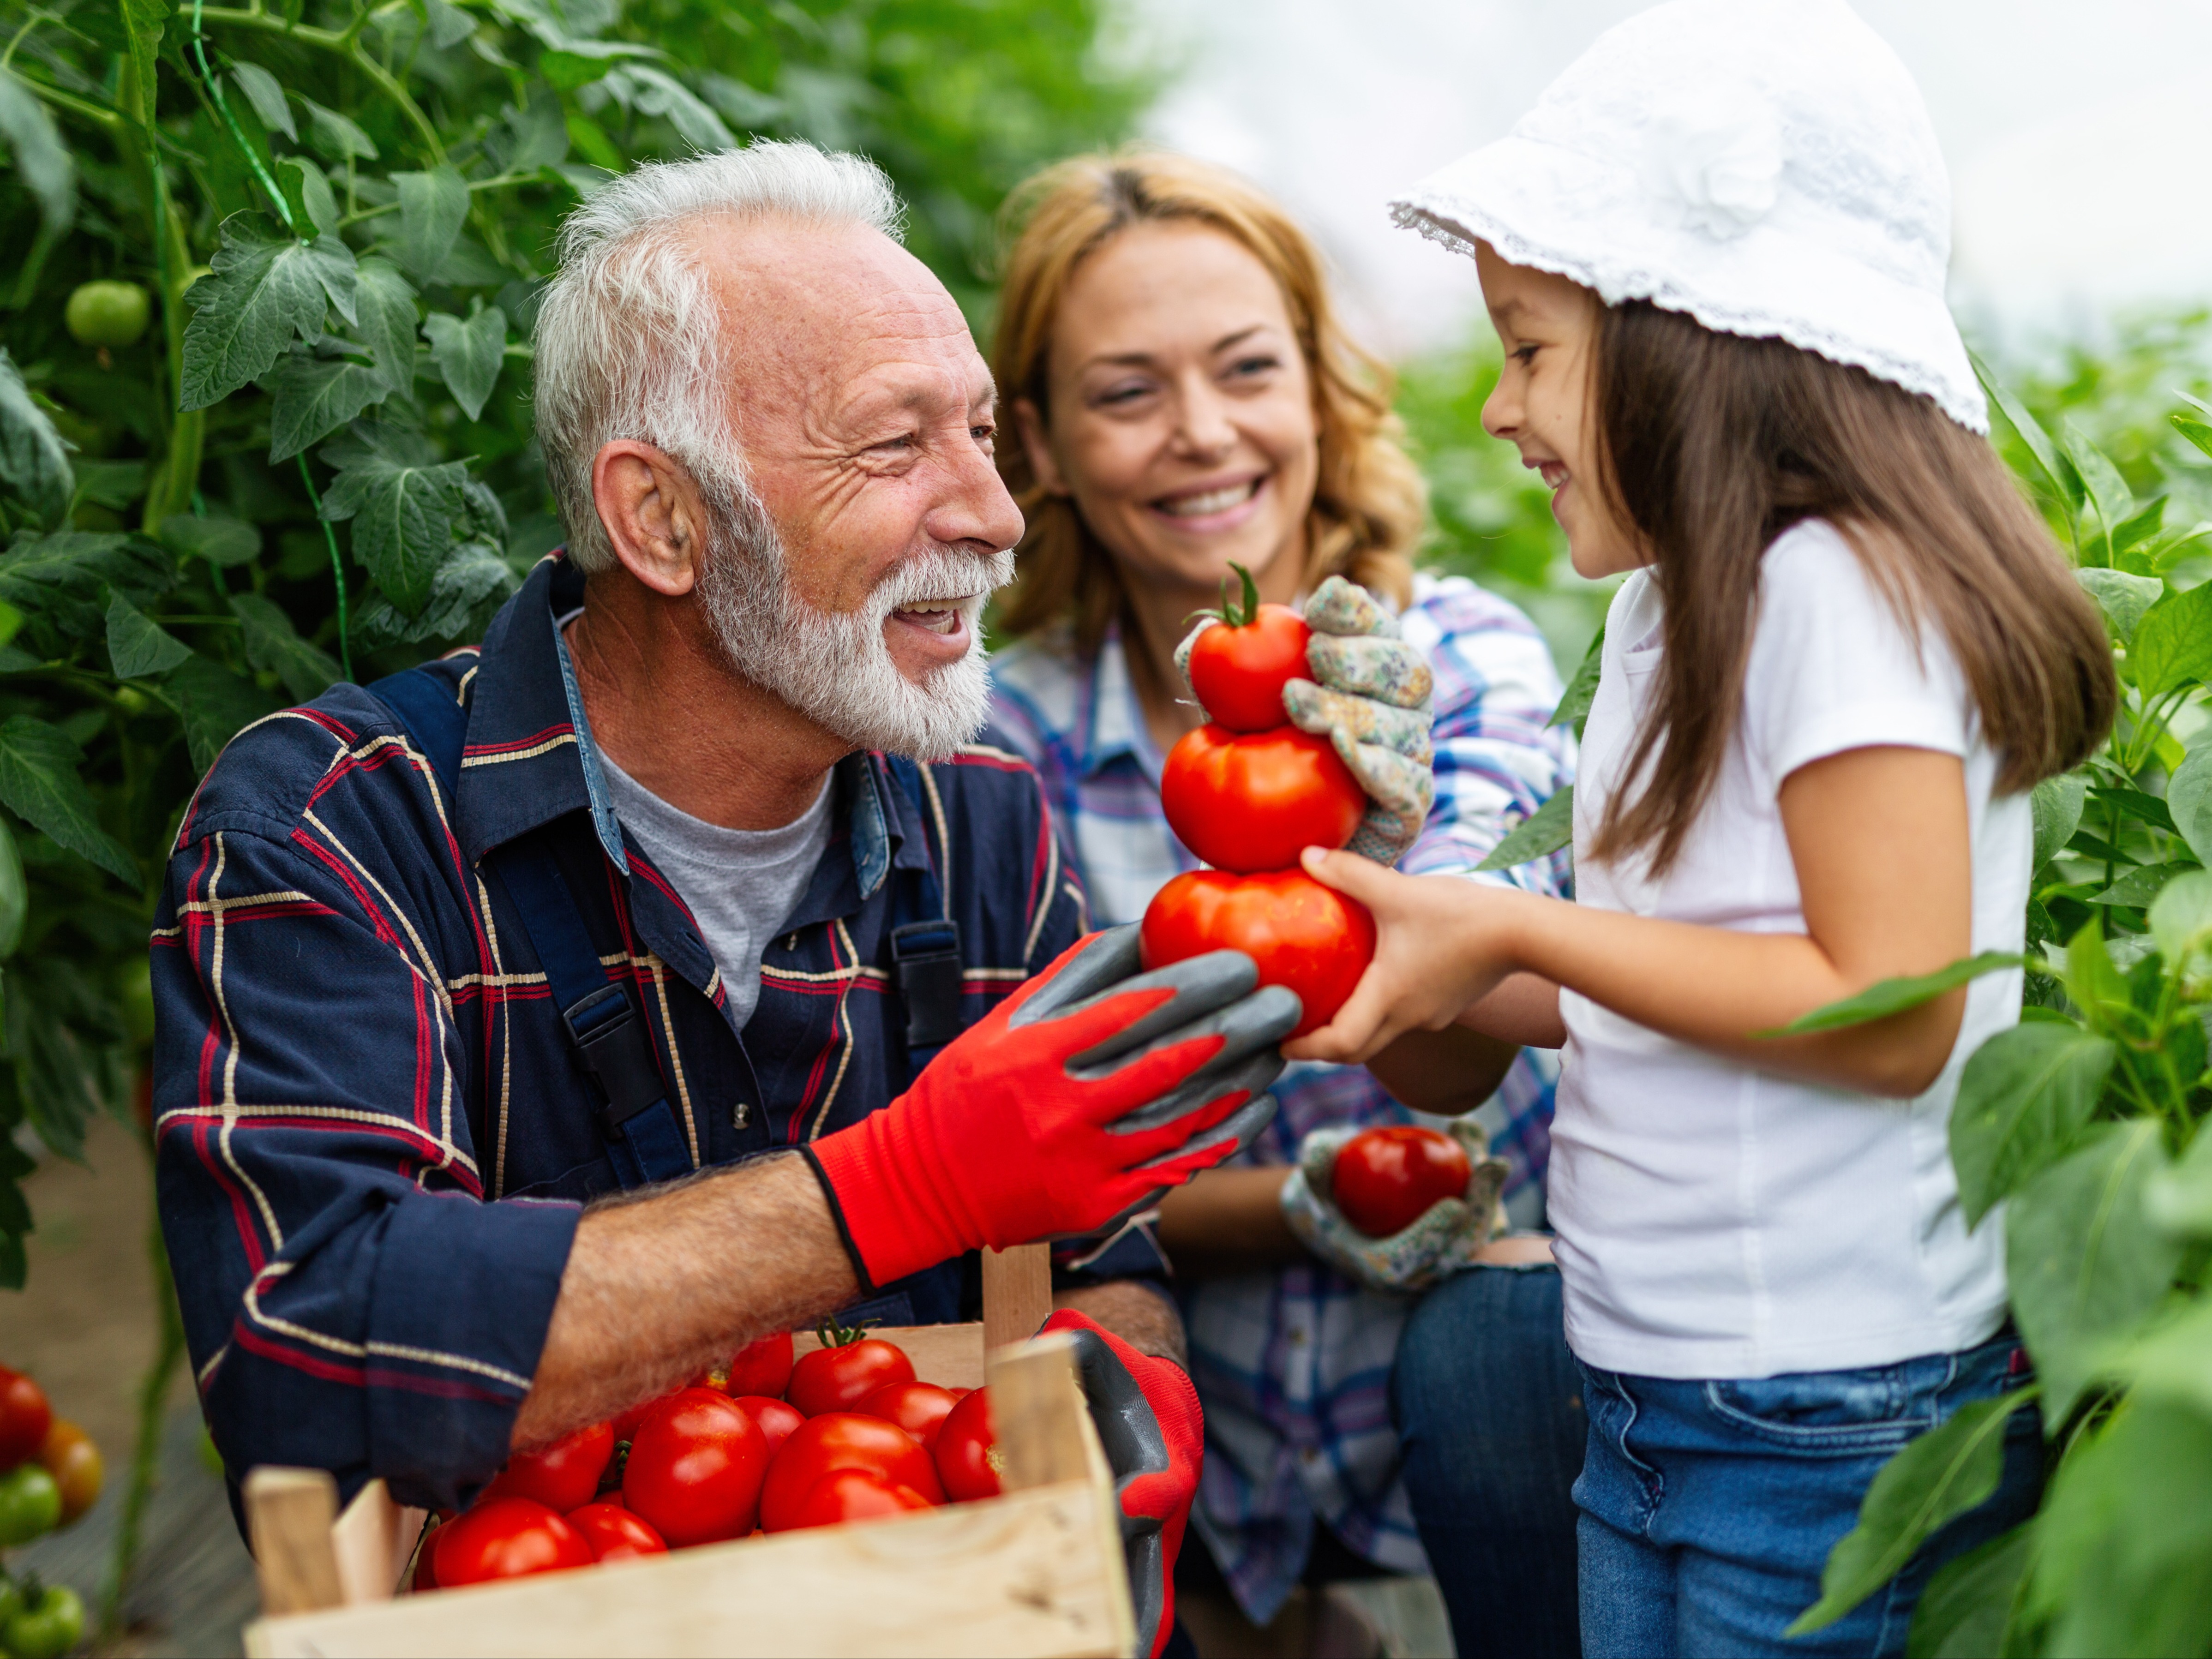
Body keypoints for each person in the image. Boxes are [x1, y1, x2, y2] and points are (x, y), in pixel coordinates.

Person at [149, 141, 1337, 1658]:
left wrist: (1126, 1381)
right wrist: (895, 1187)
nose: (995, 513)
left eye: (979, 432)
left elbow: (1099, 1257)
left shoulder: (979, 819)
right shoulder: (340, 826)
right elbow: (299, 1343)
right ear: (659, 519)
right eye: (893, 447)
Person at [1290, 4, 2118, 1655]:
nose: (1497, 409)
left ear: (1698, 335)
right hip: (1664, 1393)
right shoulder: (1685, 610)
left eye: (1529, 349)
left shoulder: (1845, 591)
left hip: (1821, 1415)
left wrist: (1516, 925)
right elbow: (1681, 974)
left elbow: (1889, 1005)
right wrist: (1429, 967)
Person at [984, 150, 1584, 1654]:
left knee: (1495, 1366)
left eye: (1247, 369)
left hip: (1479, 1451)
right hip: (1195, 1464)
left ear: (1319, 391)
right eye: (1124, 394)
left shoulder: (1465, 662)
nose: (1202, 435)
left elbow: (1451, 1063)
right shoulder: (1001, 746)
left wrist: (1384, 837)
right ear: (1040, 447)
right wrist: (1302, 1213)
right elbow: (1006, 1183)